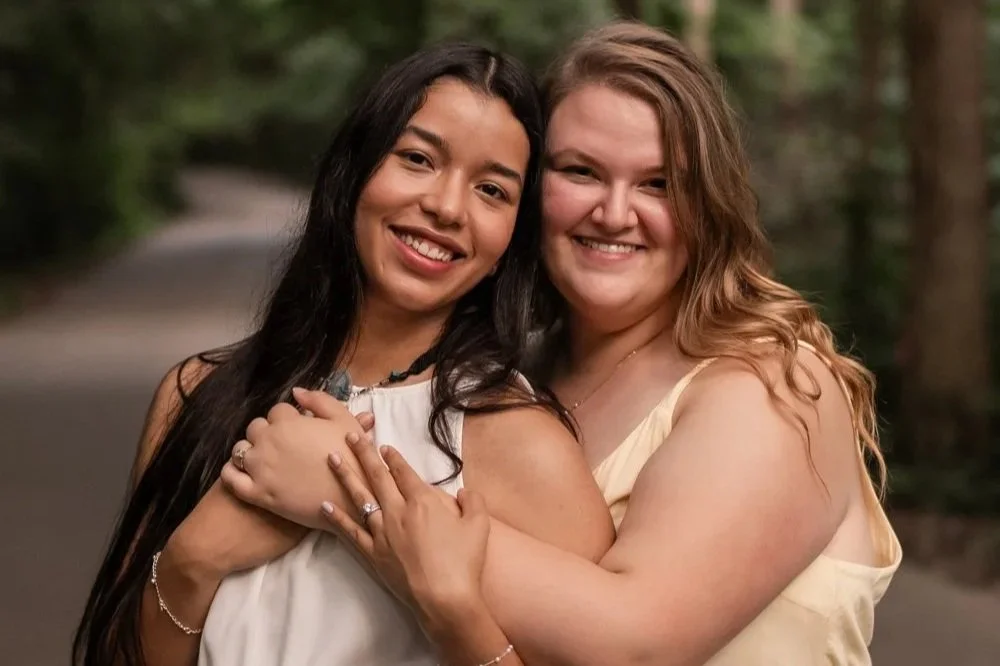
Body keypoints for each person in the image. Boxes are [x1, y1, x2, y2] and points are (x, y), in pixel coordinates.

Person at [304, 21, 903, 666]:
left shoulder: (770, 388)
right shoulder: (514, 375)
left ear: (708, 202)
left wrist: (345, 490)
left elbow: (637, 643)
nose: (615, 214)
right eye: (581, 171)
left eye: (658, 184)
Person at [71, 42, 613, 666]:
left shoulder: (523, 446)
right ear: (355, 170)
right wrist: (195, 558)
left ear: (510, 242)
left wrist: (446, 603)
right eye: (417, 159)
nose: (446, 206)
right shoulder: (196, 395)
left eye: (491, 190)